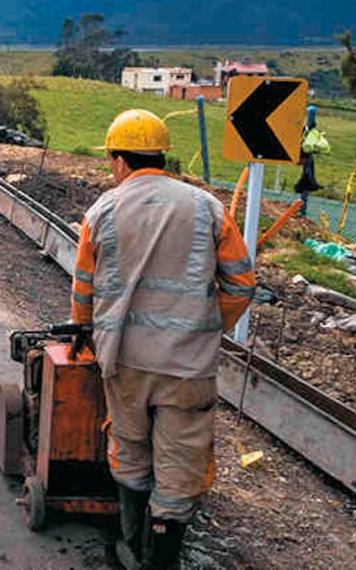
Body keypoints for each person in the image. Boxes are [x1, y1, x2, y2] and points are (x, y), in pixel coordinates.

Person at [71, 109, 255, 570]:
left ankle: (130, 545)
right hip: (188, 367)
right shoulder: (207, 207)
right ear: (161, 155)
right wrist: (208, 327)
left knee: (130, 449)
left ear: (118, 159)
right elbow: (242, 283)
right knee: (181, 459)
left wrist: (88, 339)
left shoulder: (102, 211)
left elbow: (83, 291)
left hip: (125, 362)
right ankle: (163, 558)